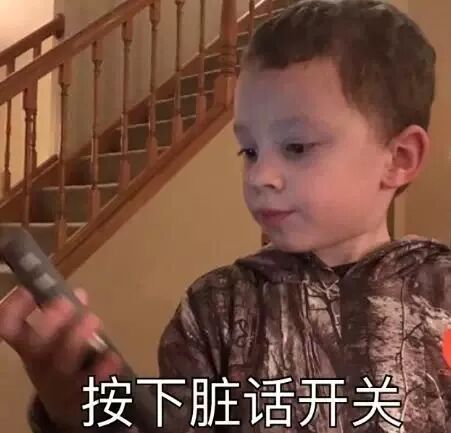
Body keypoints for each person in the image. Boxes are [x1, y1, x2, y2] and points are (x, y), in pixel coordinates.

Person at [0, 0, 449, 432]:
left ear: (399, 158)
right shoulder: (217, 307)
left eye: (296, 147)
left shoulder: (441, 292)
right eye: (249, 151)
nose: (261, 175)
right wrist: (71, 411)